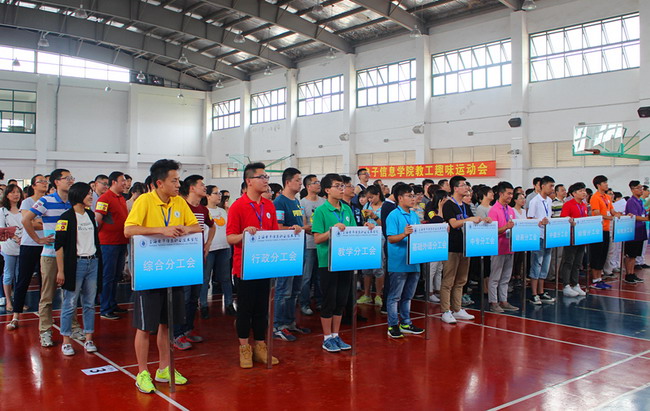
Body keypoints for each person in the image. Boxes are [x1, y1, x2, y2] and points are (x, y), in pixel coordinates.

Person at [124, 159, 201, 393]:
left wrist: (184, 228)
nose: (178, 185)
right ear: (160, 183)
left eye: (178, 180)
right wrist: (161, 230)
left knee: (166, 325)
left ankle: (164, 368)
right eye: (174, 181)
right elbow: (129, 229)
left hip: (174, 270)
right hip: (149, 271)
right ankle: (142, 373)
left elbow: (196, 226)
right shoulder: (144, 201)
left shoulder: (179, 202)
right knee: (144, 327)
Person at [227, 163, 287, 368]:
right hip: (244, 267)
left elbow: (275, 233)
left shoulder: (269, 205)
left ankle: (261, 347)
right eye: (261, 177)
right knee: (245, 309)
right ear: (249, 181)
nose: (266, 181)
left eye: (266, 177)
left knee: (262, 309)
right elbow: (230, 237)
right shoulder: (238, 206)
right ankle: (244, 348)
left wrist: (292, 232)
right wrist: (244, 235)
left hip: (265, 264)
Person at [23, 169, 84, 347]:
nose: (71, 181)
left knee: (71, 294)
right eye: (67, 178)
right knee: (47, 296)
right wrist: (38, 239)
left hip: (70, 256)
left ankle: (73, 326)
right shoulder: (46, 201)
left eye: (72, 178)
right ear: (56, 182)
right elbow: (26, 220)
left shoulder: (74, 202)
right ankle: (45, 331)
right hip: (50, 255)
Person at [312, 174, 373, 352]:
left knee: (341, 300)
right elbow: (317, 238)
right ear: (327, 190)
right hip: (328, 262)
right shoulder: (321, 211)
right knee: (329, 301)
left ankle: (336, 335)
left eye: (342, 186)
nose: (341, 189)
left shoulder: (346, 209)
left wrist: (365, 228)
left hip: (345, 260)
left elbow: (352, 232)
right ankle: (326, 338)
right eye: (337, 186)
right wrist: (332, 231)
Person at [55, 182, 102, 356]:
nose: (91, 196)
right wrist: (61, 270)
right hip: (75, 265)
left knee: (89, 303)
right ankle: (66, 341)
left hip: (93, 262)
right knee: (70, 303)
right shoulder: (65, 218)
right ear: (78, 195)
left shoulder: (90, 215)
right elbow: (59, 246)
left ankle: (89, 338)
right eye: (88, 194)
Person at [172, 175, 215, 350]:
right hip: (183, 259)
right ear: (191, 188)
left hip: (199, 258)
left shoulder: (203, 209)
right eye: (201, 185)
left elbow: (212, 226)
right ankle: (176, 334)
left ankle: (187, 329)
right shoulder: (181, 206)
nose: (204, 187)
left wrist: (208, 244)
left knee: (193, 297)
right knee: (183, 296)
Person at [440, 176, 485, 324]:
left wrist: (483, 220)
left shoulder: (465, 206)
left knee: (461, 280)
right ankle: (445, 311)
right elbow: (453, 224)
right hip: (452, 247)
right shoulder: (448, 205)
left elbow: (472, 221)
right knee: (448, 280)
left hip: (465, 246)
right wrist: (469, 220)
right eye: (463, 185)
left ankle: (457, 308)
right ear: (455, 188)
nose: (467, 187)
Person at [272, 167, 310, 341]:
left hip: (299, 249)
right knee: (283, 290)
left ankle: (289, 322)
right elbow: (278, 227)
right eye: (297, 180)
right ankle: (278, 325)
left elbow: (300, 224)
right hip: (285, 251)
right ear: (288, 182)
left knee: (295, 290)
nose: (300, 183)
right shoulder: (280, 202)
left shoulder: (296, 201)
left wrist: (305, 228)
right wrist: (295, 228)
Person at [6, 175, 48, 331]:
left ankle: (44, 315)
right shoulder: (27, 202)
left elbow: (43, 223)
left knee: (45, 282)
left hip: (47, 245)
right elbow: (28, 222)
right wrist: (41, 224)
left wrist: (38, 222)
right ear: (33, 186)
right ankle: (16, 315)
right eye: (41, 181)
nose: (44, 184)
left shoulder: (49, 201)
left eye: (46, 181)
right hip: (29, 244)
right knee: (23, 280)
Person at [385, 184, 425, 338]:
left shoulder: (414, 215)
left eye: (413, 196)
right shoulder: (393, 215)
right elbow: (391, 238)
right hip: (399, 262)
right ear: (400, 198)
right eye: (409, 196)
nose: (413, 199)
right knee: (395, 296)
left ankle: (406, 322)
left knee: (408, 296)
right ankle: (392, 325)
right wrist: (404, 234)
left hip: (414, 261)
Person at [95, 171, 129, 321]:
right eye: (123, 181)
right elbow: (98, 219)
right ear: (114, 182)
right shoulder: (105, 198)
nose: (125, 184)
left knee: (116, 276)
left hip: (121, 241)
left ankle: (112, 304)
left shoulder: (121, 198)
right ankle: (105, 308)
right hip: (108, 243)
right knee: (108, 276)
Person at [202, 185, 235, 318]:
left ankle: (229, 303)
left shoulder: (223, 211)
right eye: (216, 193)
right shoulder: (204, 210)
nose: (219, 196)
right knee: (205, 278)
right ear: (208, 196)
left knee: (226, 278)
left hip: (224, 247)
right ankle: (203, 305)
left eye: (220, 193)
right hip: (209, 249)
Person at [487, 182, 519, 312]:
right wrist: (506, 227)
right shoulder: (493, 210)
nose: (510, 196)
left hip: (509, 247)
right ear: (500, 194)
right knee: (495, 277)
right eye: (508, 193)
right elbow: (492, 231)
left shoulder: (510, 210)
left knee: (506, 277)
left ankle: (503, 300)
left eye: (512, 194)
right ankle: (493, 302)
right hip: (498, 248)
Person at [527, 175, 555, 305]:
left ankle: (541, 291)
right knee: (536, 264)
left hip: (548, 235)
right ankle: (534, 293)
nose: (552, 188)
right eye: (550, 186)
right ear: (542, 186)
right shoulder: (535, 201)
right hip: (538, 235)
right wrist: (539, 221)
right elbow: (529, 219)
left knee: (545, 264)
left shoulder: (549, 200)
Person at [557, 183, 589, 297]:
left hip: (581, 237)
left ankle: (575, 284)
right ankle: (566, 285)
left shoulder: (584, 205)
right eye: (581, 191)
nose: (584, 193)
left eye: (584, 190)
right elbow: (563, 218)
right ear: (573, 193)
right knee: (569, 261)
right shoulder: (568, 204)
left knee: (578, 262)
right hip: (571, 237)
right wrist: (569, 220)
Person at [299, 174, 325, 315]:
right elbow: (304, 224)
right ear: (308, 186)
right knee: (307, 276)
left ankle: (320, 302)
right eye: (315, 182)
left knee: (320, 276)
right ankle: (304, 303)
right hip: (309, 244)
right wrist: (315, 231)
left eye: (318, 182)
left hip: (322, 243)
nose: (318, 184)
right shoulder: (302, 203)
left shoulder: (323, 202)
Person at [589, 175, 620, 289]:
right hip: (598, 230)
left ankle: (599, 278)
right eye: (604, 183)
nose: (606, 184)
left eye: (606, 182)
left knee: (603, 255)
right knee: (596, 255)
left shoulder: (607, 197)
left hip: (606, 229)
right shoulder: (595, 197)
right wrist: (610, 217)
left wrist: (618, 215)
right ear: (598, 185)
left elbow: (612, 210)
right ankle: (595, 279)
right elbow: (597, 213)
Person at [358, 184, 385, 307]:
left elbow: (386, 224)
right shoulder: (367, 206)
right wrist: (365, 224)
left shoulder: (385, 206)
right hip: (367, 239)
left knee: (379, 268)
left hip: (380, 239)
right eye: (368, 198)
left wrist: (375, 217)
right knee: (366, 268)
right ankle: (367, 294)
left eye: (371, 197)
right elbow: (364, 220)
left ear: (378, 194)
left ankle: (378, 295)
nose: (370, 200)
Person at [0, 184, 24, 311]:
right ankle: (9, 301)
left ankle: (19, 302)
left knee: (20, 275)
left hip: (23, 246)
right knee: (8, 274)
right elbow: (2, 229)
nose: (16, 195)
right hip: (9, 247)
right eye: (12, 192)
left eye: (17, 192)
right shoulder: (3, 211)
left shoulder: (23, 210)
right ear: (7, 195)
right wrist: (15, 238)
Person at [424, 189, 449, 303]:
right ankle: (429, 292)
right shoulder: (430, 207)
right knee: (432, 268)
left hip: (441, 242)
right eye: (445, 198)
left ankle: (438, 290)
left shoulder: (446, 208)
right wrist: (440, 208)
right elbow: (437, 220)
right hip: (432, 241)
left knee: (439, 268)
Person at [623, 180, 647, 284]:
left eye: (641, 188)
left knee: (635, 255)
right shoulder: (631, 201)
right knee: (630, 255)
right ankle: (628, 275)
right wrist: (646, 219)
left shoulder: (640, 201)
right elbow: (634, 216)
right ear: (632, 189)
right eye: (639, 188)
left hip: (640, 231)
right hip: (633, 231)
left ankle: (632, 273)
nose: (641, 190)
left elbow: (643, 213)